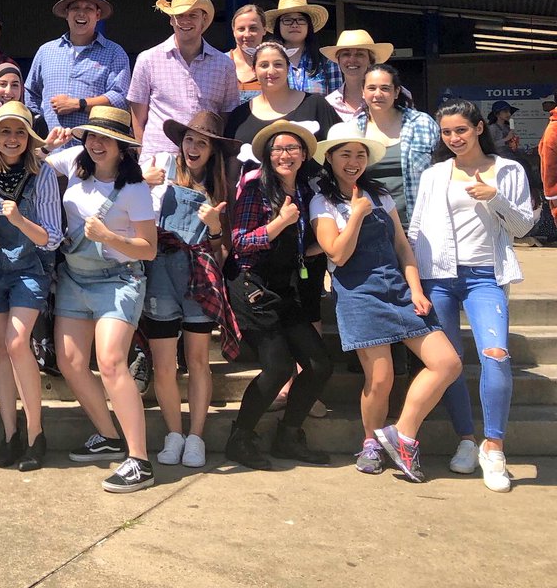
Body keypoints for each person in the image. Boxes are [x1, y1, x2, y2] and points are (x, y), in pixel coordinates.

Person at [310, 122, 462, 482]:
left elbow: (402, 248)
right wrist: (356, 214)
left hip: (398, 289)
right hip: (358, 294)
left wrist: (416, 290)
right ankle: (371, 444)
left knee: (447, 363)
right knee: (380, 379)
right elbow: (337, 254)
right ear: (330, 158)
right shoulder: (322, 201)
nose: (353, 162)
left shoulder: (380, 194)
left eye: (360, 155)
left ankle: (402, 433)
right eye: (345, 154)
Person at [410, 100, 536, 491]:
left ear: (479, 128)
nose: (454, 138)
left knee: (495, 355)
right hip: (438, 276)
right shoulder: (434, 174)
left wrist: (493, 196)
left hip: (486, 276)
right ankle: (465, 439)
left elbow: (522, 227)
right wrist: (412, 281)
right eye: (447, 132)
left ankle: (494, 447)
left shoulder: (509, 170)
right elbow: (417, 227)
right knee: (448, 362)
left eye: (461, 130)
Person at [45, 107, 158, 492]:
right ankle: (108, 436)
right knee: (71, 361)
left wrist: (109, 237)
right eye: (92, 135)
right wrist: (47, 145)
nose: (96, 143)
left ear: (122, 147)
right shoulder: (73, 162)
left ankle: (139, 460)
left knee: (110, 362)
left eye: (106, 138)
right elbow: (34, 163)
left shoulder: (135, 190)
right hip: (74, 277)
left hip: (118, 279)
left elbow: (148, 249)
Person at [225, 121, 334, 470]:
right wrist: (281, 222)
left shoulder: (304, 190)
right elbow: (240, 241)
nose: (285, 155)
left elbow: (303, 244)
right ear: (268, 156)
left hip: (285, 288)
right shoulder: (255, 186)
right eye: (278, 149)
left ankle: (288, 435)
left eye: (292, 148)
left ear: (303, 155)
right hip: (251, 285)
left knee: (319, 364)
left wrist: (335, 242)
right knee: (278, 367)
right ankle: (240, 438)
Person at [143, 112, 242, 469]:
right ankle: (174, 433)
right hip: (160, 274)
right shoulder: (159, 171)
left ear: (213, 150)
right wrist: (142, 184)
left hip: (199, 275)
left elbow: (222, 249)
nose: (193, 147)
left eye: (202, 142)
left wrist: (214, 227)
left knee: (199, 360)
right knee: (163, 364)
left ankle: (196, 436)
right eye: (189, 139)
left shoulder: (223, 187)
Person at [0, 102, 62, 471]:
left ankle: (36, 432)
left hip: (30, 267)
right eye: (5, 132)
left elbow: (52, 237)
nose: (12, 139)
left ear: (29, 138)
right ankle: (10, 434)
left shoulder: (43, 173)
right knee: (1, 348)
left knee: (17, 341)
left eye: (20, 132)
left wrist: (20, 220)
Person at [128, 0, 239, 161]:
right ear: (171, 20)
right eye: (179, 15)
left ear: (204, 19)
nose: (185, 21)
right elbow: (137, 119)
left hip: (204, 164)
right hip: (158, 160)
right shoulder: (147, 59)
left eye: (192, 15)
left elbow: (226, 117)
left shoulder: (224, 65)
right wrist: (144, 157)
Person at [24, 0, 130, 137]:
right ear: (67, 14)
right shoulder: (46, 51)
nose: (81, 13)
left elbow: (120, 98)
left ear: (98, 15)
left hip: (93, 146)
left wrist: (78, 104)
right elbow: (31, 93)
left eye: (88, 8)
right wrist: (37, 127)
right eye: (75, 8)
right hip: (50, 146)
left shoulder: (114, 53)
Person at [354, 65, 438, 228]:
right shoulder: (353, 130)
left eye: (385, 88)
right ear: (363, 92)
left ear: (397, 92)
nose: (378, 94)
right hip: (371, 227)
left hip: (420, 225)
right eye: (371, 88)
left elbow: (444, 168)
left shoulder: (422, 123)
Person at [265, 0, 342, 96]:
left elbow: (336, 101)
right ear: (278, 26)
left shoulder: (326, 61)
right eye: (287, 20)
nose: (294, 25)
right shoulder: (266, 60)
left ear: (308, 25)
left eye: (300, 19)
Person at [320, 30, 394, 121]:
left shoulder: (391, 95)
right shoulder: (329, 103)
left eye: (359, 54)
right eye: (346, 54)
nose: (352, 60)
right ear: (338, 61)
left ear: (370, 61)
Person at [228, 4, 267, 103]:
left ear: (264, 30)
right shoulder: (219, 63)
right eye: (241, 29)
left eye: (253, 28)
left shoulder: (273, 66)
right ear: (233, 31)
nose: (247, 34)